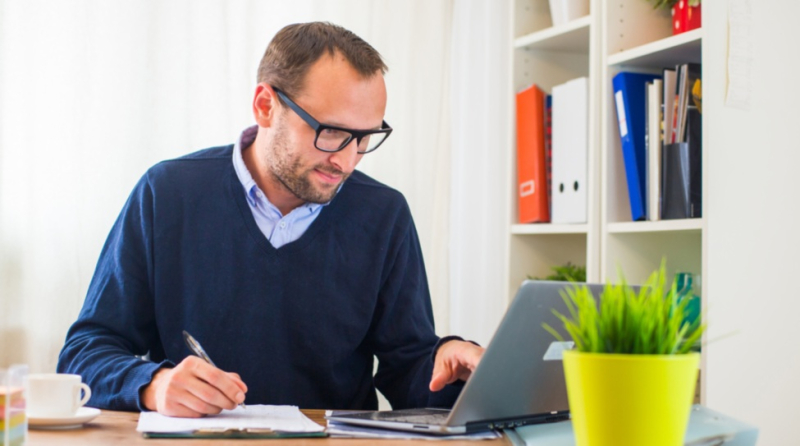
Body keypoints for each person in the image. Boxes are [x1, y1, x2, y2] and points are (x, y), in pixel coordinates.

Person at [57, 21, 484, 418]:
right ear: (265, 106)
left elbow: (407, 368)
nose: (347, 161)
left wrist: (447, 363)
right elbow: (85, 352)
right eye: (331, 132)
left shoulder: (384, 214)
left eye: (364, 138)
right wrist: (154, 384)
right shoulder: (167, 193)